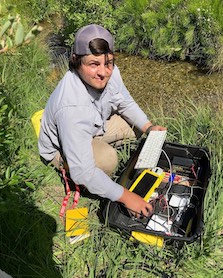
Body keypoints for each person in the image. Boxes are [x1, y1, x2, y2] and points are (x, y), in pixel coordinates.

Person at [38, 24, 165, 218]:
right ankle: (72, 166)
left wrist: (149, 127)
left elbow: (126, 103)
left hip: (95, 125)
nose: (103, 72)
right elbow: (83, 173)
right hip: (61, 146)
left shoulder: (109, 72)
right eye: (93, 64)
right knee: (107, 159)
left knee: (138, 128)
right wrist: (127, 197)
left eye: (109, 62)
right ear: (75, 61)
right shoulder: (72, 107)